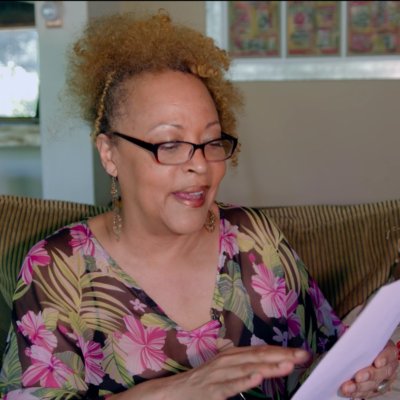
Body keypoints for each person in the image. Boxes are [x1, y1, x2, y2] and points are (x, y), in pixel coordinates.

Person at [0, 10, 398, 400]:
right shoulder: (56, 271)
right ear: (110, 153)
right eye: (169, 144)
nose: (200, 164)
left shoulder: (253, 239)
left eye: (210, 141)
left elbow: (318, 363)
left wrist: (362, 372)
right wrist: (178, 390)